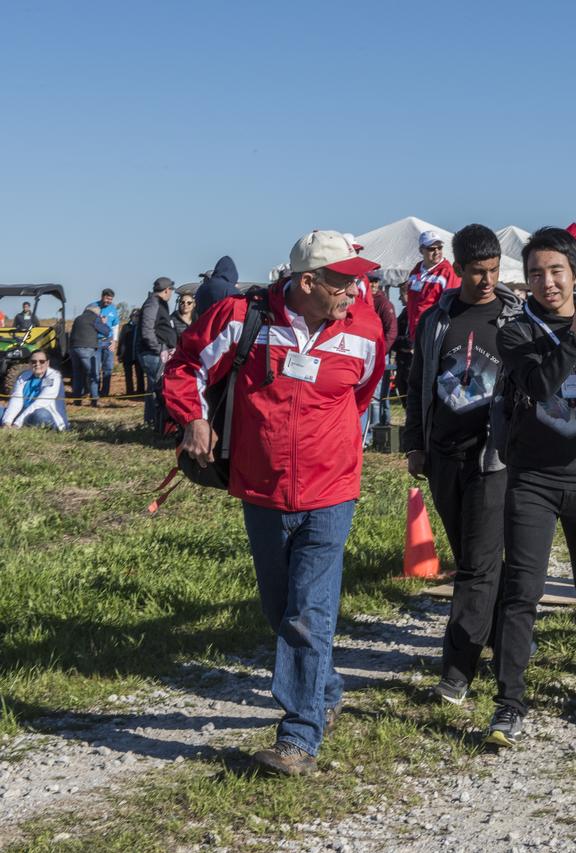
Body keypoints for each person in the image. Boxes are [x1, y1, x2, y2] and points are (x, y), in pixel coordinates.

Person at [166, 230, 384, 776]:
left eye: (358, 281)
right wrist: (193, 418)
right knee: (279, 608)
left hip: (332, 488)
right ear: (306, 281)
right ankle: (325, 690)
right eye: (344, 281)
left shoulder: (364, 327)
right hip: (262, 488)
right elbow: (185, 365)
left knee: (308, 612)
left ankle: (300, 736)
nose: (355, 292)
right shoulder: (244, 317)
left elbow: (362, 392)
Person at [485, 227, 576, 747]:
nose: (547, 282)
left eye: (556, 271)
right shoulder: (515, 332)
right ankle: (509, 703)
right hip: (533, 479)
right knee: (522, 591)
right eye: (537, 273)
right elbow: (540, 383)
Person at [403, 225, 518, 705]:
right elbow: (417, 382)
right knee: (475, 558)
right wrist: (415, 443)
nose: (487, 280)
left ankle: (456, 671)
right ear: (459, 268)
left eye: (494, 270)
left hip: (494, 457)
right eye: (478, 272)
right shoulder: (438, 317)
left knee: (477, 564)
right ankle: (501, 642)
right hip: (444, 454)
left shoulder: (514, 316)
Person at [405, 230, 461, 337]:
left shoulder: (448, 272)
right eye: (431, 249)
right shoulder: (415, 271)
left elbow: (452, 305)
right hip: (415, 332)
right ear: (421, 250)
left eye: (439, 247)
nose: (437, 252)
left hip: (434, 333)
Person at [138, 277, 177, 427]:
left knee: (154, 388)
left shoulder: (158, 303)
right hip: (153, 354)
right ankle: (156, 423)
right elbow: (147, 330)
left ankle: (152, 421)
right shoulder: (152, 303)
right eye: (171, 291)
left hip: (156, 352)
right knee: (158, 388)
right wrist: (158, 348)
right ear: (167, 290)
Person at [2, 350, 67, 430]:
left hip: (43, 414)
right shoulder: (23, 376)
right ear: (29, 363)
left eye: (42, 361)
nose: (37, 364)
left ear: (47, 363)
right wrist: (7, 421)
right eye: (33, 361)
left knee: (41, 414)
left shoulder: (53, 377)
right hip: (23, 413)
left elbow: (40, 403)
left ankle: (24, 426)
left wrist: (17, 424)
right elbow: (16, 399)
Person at [368, 272, 397, 429]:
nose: (373, 285)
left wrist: (382, 351)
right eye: (370, 281)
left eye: (375, 281)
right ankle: (381, 427)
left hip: (379, 354)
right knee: (377, 395)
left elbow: (391, 331)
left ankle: (374, 431)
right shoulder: (363, 300)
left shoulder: (384, 304)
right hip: (368, 353)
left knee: (376, 396)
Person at [69, 303, 108, 406]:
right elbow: (106, 331)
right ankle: (94, 400)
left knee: (78, 375)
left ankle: (77, 400)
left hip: (73, 349)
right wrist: (103, 323)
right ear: (96, 312)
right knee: (93, 375)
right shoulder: (95, 318)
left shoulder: (78, 318)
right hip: (86, 349)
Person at [94, 289, 119, 397]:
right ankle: (95, 391)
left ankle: (105, 392)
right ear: (102, 296)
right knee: (95, 368)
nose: (109, 301)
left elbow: (115, 326)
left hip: (108, 342)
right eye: (107, 298)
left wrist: (114, 341)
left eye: (110, 299)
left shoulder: (113, 309)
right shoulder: (93, 307)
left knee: (108, 368)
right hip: (96, 341)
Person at [119, 309, 141, 396]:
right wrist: (120, 354)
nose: (136, 318)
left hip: (138, 355)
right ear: (131, 317)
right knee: (128, 375)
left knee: (139, 374)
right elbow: (121, 341)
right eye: (134, 316)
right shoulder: (126, 327)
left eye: (138, 316)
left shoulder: (142, 327)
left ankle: (140, 392)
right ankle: (130, 392)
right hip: (127, 354)